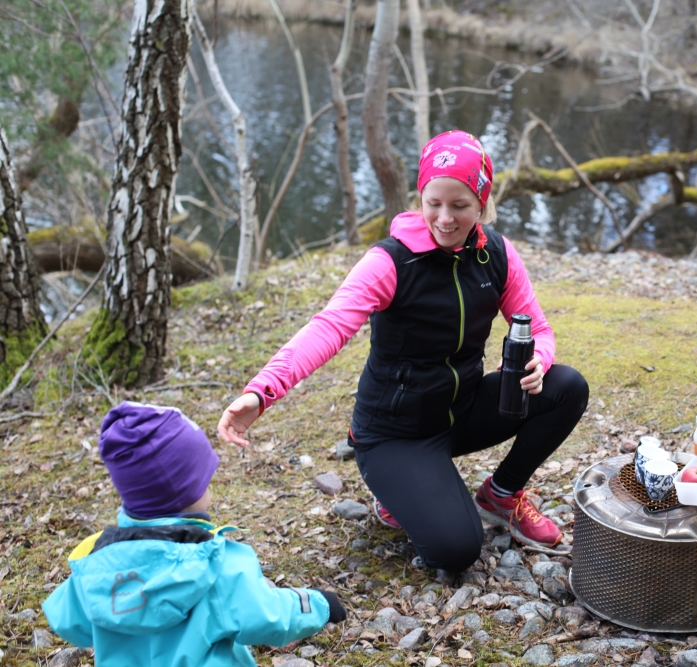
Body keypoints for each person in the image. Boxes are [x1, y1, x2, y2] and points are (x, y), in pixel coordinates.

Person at [218, 130, 589, 573]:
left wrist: (539, 360)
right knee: (457, 552)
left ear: (482, 205)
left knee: (567, 387)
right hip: (396, 432)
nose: (445, 218)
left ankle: (502, 494)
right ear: (420, 197)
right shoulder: (391, 262)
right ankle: (397, 490)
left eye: (460, 205)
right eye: (434, 203)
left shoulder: (497, 255)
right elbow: (328, 328)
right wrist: (262, 391)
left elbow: (539, 328)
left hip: (462, 410)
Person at [43, 402, 346, 666]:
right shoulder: (216, 566)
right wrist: (318, 604)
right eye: (205, 478)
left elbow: (66, 621)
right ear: (184, 492)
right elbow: (271, 615)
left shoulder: (94, 564)